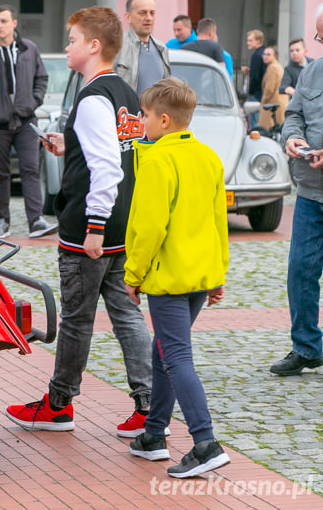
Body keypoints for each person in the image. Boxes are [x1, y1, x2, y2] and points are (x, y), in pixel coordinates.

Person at [5, 7, 152, 437]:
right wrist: (68, 145)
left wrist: (94, 227)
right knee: (126, 315)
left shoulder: (91, 98)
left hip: (91, 228)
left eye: (72, 39)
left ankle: (58, 403)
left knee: (76, 319)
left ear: (93, 46)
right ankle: (148, 403)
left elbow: (108, 167)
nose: (66, 46)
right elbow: (121, 149)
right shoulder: (123, 90)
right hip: (123, 224)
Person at [124, 77, 231, 478]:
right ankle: (154, 435)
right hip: (200, 277)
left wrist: (133, 275)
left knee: (177, 356)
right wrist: (217, 273)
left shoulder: (156, 161)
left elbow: (150, 228)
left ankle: (205, 442)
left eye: (145, 115)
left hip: (168, 278)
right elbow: (218, 220)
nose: (141, 120)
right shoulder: (208, 157)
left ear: (164, 120)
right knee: (164, 351)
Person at [0, 4, 54, 239]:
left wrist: (33, 101)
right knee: (0, 173)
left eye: (3, 21)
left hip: (25, 121)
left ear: (14, 23)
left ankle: (36, 221)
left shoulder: (29, 49)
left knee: (30, 169)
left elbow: (41, 79)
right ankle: (1, 222)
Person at [270, 7, 323, 377]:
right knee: (301, 271)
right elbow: (294, 114)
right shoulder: (312, 71)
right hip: (311, 192)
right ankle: (306, 347)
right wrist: (294, 137)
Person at [114, 0, 170, 95]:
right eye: (142, 13)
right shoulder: (116, 46)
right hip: (125, 110)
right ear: (128, 17)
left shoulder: (162, 48)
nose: (148, 18)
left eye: (152, 13)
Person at [258, 46, 287, 133]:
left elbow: (269, 88)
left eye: (268, 54)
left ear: (275, 56)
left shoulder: (272, 68)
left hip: (271, 102)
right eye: (264, 54)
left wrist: (263, 101)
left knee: (267, 132)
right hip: (279, 101)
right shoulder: (278, 66)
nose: (265, 56)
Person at [241, 29, 266, 131]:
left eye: (250, 40)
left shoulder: (256, 55)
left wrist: (250, 93)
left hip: (256, 94)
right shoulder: (263, 53)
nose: (248, 43)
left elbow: (255, 77)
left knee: (253, 123)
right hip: (262, 92)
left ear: (258, 41)